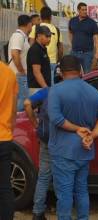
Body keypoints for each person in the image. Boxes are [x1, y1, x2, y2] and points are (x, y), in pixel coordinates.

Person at [48, 55, 98, 219]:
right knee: (82, 190)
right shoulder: (93, 92)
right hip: (85, 151)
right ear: (80, 70)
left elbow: (56, 119)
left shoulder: (56, 90)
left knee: (64, 194)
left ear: (61, 71)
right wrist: (92, 135)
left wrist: (78, 129)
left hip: (63, 152)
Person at [23, 86, 52, 220]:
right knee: (63, 175)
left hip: (46, 138)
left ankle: (37, 212)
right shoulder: (75, 90)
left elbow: (27, 103)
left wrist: (36, 124)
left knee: (44, 176)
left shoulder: (47, 91)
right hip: (63, 139)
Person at [0, 61, 18, 220]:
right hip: (4, 137)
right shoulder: (9, 73)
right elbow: (13, 110)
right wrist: (9, 130)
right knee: (5, 186)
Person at [29, 6, 64, 85]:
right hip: (52, 63)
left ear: (40, 16)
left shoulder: (36, 27)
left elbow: (31, 45)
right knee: (51, 86)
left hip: (37, 63)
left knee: (37, 86)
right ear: (51, 17)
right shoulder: (57, 30)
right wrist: (58, 60)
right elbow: (61, 49)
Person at [8, 14, 32, 111]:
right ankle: (18, 124)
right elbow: (14, 54)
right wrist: (21, 71)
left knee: (21, 101)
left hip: (20, 75)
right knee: (22, 103)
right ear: (29, 24)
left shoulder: (23, 37)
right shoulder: (18, 36)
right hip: (18, 75)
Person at [69, 2, 98, 74]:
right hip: (74, 53)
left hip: (87, 54)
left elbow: (96, 38)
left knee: (87, 74)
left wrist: (97, 52)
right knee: (73, 73)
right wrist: (72, 44)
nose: (85, 11)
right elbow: (70, 32)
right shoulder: (72, 21)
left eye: (86, 10)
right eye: (83, 10)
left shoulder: (92, 23)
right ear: (78, 10)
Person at [27, 25, 52, 95]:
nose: (49, 39)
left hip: (42, 88)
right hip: (37, 88)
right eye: (47, 36)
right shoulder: (35, 50)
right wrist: (46, 88)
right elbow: (36, 72)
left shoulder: (42, 49)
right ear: (39, 35)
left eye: (50, 36)